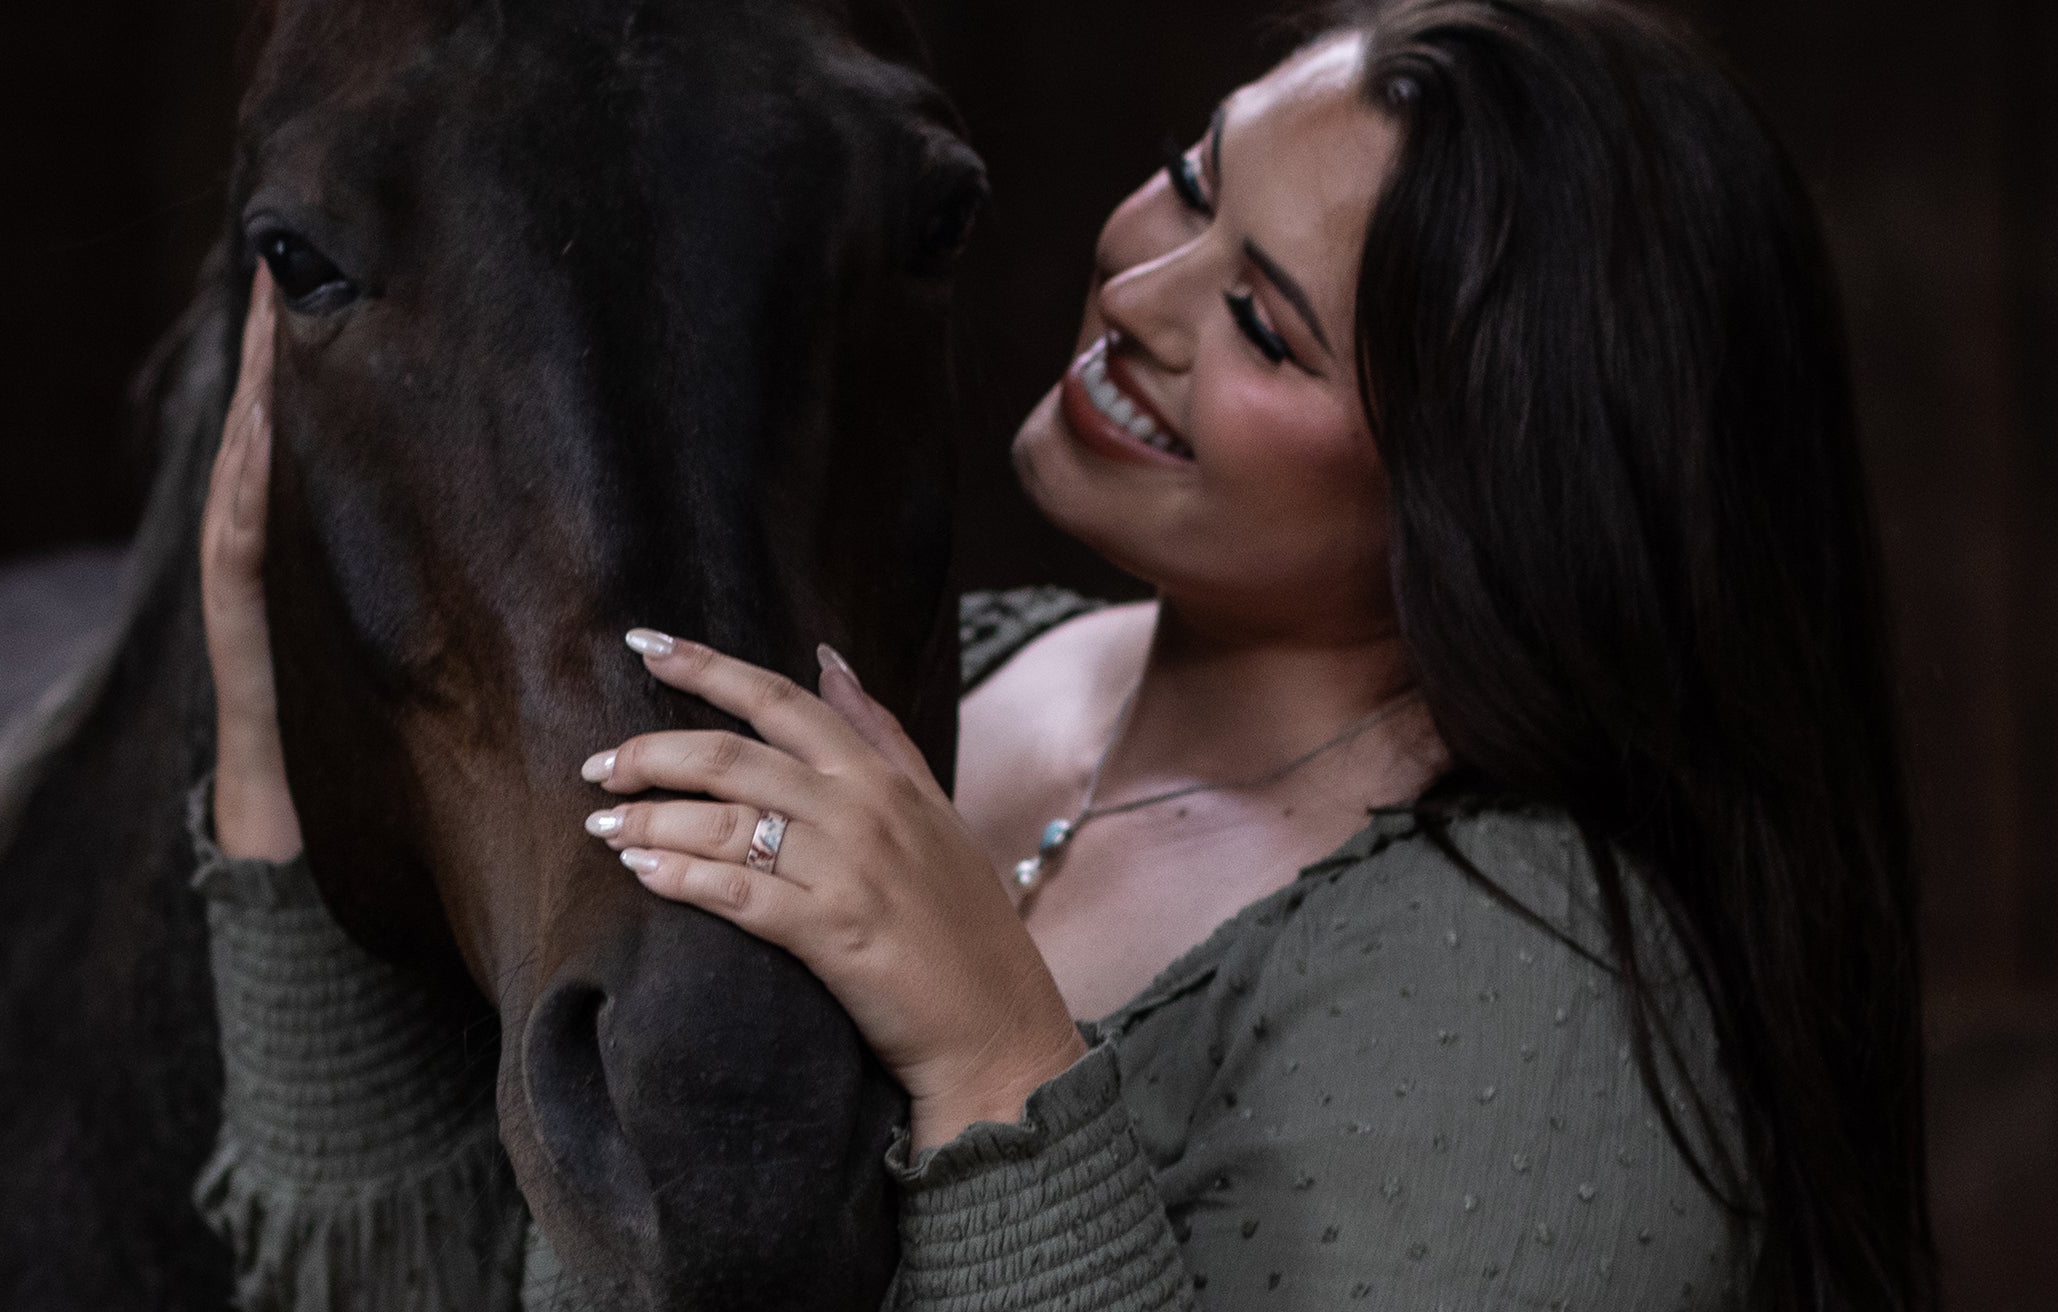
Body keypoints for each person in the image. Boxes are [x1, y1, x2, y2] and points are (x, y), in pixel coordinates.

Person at [188, 0, 1934, 1307]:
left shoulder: (1550, 1006)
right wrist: (266, 748)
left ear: (1501, 486)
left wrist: (994, 1069)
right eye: (1187, 183)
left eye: (1259, 322)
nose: (1138, 295)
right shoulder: (930, 683)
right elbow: (432, 1280)